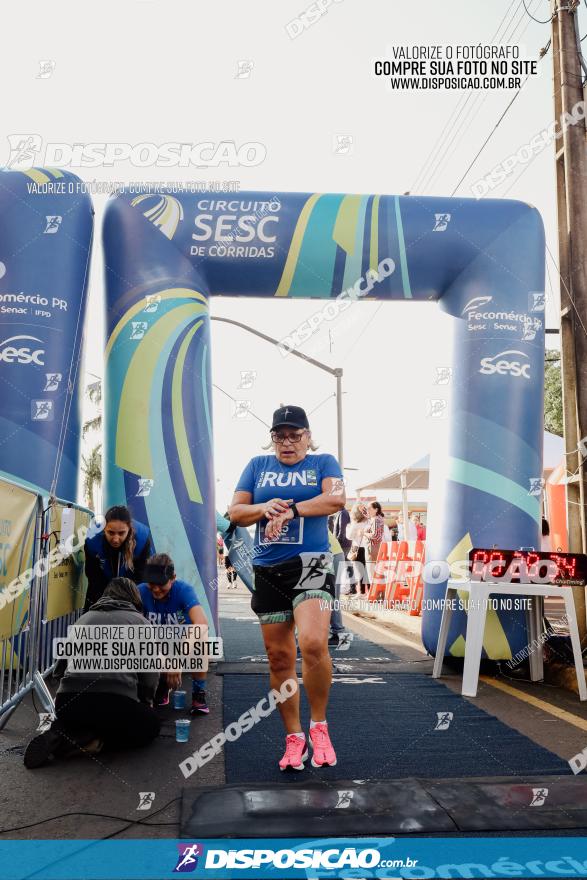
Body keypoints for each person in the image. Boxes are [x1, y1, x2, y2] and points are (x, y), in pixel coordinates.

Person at [228, 404, 345, 771]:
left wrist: (290, 510)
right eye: (280, 436)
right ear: (272, 440)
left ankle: (320, 726)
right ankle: (294, 738)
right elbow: (235, 512)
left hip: (312, 562)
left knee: (312, 642)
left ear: (308, 438)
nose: (288, 442)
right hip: (269, 567)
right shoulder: (257, 466)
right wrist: (265, 508)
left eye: (296, 435)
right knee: (279, 657)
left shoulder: (324, 462)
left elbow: (337, 499)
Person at [24, 578, 160, 769]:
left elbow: (59, 671)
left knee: (87, 717)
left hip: (68, 704)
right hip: (115, 704)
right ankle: (95, 743)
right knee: (151, 726)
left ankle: (64, 733)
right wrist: (147, 703)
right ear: (134, 599)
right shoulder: (140, 623)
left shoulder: (83, 619)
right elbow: (150, 676)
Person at [138, 553, 210, 715]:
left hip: (180, 644)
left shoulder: (184, 590)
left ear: (173, 578)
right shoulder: (140, 591)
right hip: (153, 646)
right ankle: (159, 686)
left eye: (161, 583)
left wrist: (176, 658)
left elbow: (201, 623)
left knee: (202, 638)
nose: (155, 589)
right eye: (151, 583)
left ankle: (199, 694)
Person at [84, 505, 153, 608]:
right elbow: (93, 577)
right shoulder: (92, 539)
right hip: (103, 582)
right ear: (104, 529)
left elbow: (142, 576)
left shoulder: (142, 539)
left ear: (129, 529)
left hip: (133, 584)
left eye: (121, 533)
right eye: (111, 532)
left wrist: (126, 601)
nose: (116, 539)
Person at [327, 530, 347, 646]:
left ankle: (338, 633)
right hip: (333, 554)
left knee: (332, 596)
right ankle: (337, 632)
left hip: (332, 555)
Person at [346, 503, 369, 596]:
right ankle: (368, 592)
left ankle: (361, 592)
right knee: (367, 571)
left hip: (357, 549)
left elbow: (349, 536)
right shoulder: (368, 522)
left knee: (359, 571)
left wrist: (351, 526)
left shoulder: (356, 524)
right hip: (367, 548)